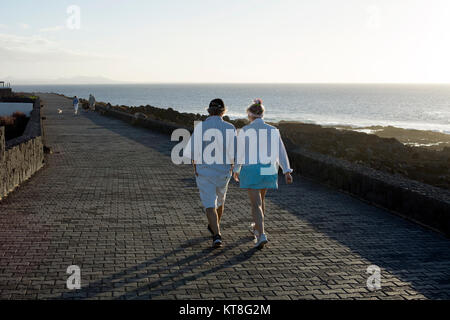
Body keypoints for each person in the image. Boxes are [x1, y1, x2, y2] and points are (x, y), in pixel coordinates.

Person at [233, 99, 293, 249]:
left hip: (252, 169)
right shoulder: (273, 130)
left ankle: (262, 234)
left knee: (256, 204)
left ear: (249, 114)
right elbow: (281, 151)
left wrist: (236, 169)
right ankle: (256, 228)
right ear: (262, 114)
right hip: (268, 169)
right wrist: (286, 171)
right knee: (261, 201)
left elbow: (239, 153)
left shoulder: (245, 130)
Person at [184, 99, 236, 248]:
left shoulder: (201, 127)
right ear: (223, 111)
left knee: (209, 204)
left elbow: (191, 152)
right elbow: (234, 151)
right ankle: (215, 227)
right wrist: (233, 167)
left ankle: (216, 234)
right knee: (220, 202)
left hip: (205, 171)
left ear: (208, 111)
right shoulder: (230, 127)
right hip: (223, 172)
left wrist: (195, 168)